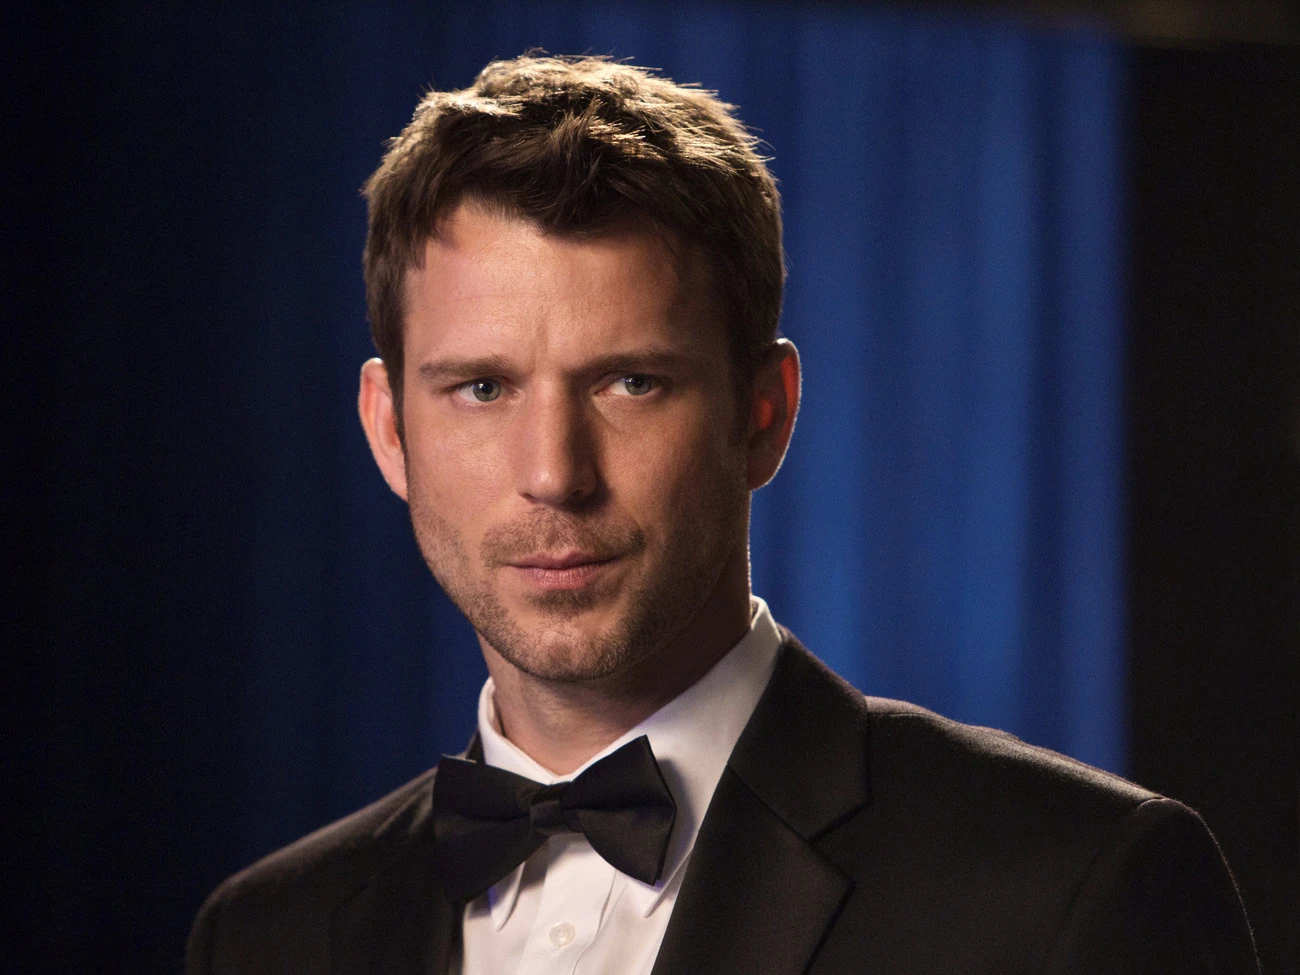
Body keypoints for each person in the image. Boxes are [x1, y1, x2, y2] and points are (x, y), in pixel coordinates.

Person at [186, 54, 1258, 974]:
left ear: (764, 415)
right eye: (481, 388)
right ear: (389, 431)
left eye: (632, 383)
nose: (553, 473)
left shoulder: (1075, 888)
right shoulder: (266, 937)